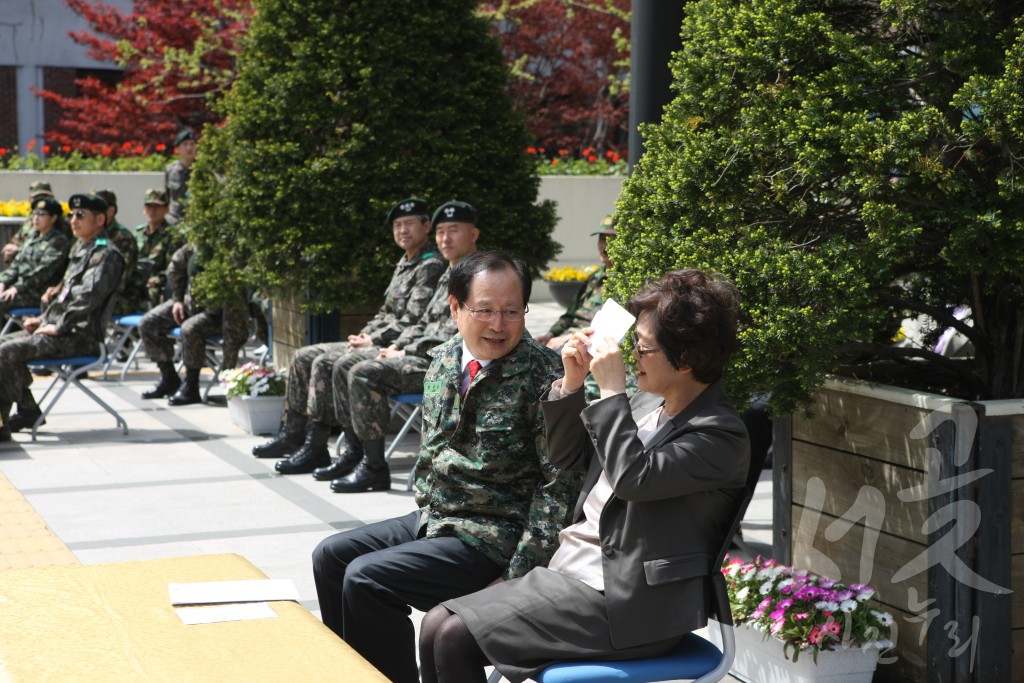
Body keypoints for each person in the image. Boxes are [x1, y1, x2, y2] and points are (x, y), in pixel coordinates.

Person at [418, 268, 751, 683]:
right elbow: (568, 456)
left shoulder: (719, 434)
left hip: (629, 605)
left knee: (454, 636)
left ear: (685, 360)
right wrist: (571, 385)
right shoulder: (651, 405)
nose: (631, 359)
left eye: (643, 351)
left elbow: (634, 478)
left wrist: (611, 392)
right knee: (434, 625)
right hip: (573, 575)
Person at [311, 251, 581, 683]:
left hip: (494, 534)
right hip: (439, 518)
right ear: (455, 307)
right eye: (486, 310)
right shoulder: (444, 359)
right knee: (331, 556)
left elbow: (558, 487)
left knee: (367, 580)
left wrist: (518, 575)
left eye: (512, 311)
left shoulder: (544, 377)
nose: (499, 324)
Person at [254, 198, 446, 475]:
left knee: (327, 362)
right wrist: (367, 333)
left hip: (394, 345)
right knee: (303, 355)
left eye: (409, 224)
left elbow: (412, 320)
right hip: (379, 340)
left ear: (426, 226)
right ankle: (294, 434)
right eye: (397, 225)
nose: (402, 230)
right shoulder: (405, 262)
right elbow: (387, 312)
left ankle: (330, 447)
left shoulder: (431, 265)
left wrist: (373, 341)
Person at [319, 201, 480, 491]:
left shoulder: (477, 276)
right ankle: (358, 456)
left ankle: (373, 466)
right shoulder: (449, 272)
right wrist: (397, 345)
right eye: (441, 232)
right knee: (350, 364)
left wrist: (405, 351)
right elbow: (422, 323)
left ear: (474, 234)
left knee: (363, 372)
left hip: (449, 366)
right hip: (423, 356)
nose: (445, 238)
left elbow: (457, 334)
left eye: (453, 231)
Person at [0, 194, 125, 440]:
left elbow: (87, 299)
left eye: (81, 215)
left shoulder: (105, 255)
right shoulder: (82, 248)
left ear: (100, 219)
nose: (74, 220)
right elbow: (63, 295)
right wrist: (44, 319)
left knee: (7, 352)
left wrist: (57, 326)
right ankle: (25, 411)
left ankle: (12, 420)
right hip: (61, 328)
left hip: (81, 335)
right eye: (71, 215)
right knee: (3, 345)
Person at [137, 243, 250, 405]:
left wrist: (229, 368)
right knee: (148, 323)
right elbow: (176, 266)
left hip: (218, 312)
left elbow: (235, 317)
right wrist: (177, 299)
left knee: (190, 328)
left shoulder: (230, 249)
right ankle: (169, 378)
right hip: (190, 303)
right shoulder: (196, 244)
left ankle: (191, 386)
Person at [535, 216, 615, 350]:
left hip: (585, 345)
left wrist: (568, 338)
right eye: (602, 239)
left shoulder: (623, 284)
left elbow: (607, 328)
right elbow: (570, 314)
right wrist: (550, 334)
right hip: (567, 340)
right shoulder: (594, 277)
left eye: (611, 240)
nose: (604, 246)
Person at [0, 196, 71, 316]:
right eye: (34, 213)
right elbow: (16, 265)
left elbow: (43, 272)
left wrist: (17, 288)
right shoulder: (33, 237)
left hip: (39, 292)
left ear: (53, 218)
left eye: (42, 214)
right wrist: (2, 282)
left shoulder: (58, 241)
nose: (36, 218)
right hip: (21, 288)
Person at [94, 189, 141, 315]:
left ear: (111, 211)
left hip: (120, 297)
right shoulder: (92, 234)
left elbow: (118, 277)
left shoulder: (123, 237)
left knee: (83, 306)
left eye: (97, 208)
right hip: (93, 293)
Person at [133, 188, 182, 308]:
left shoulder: (173, 236)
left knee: (149, 296)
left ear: (166, 209)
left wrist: (157, 280)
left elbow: (174, 269)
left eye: (157, 206)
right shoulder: (137, 233)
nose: (152, 210)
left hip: (158, 287)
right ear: (144, 209)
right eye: (149, 206)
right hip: (135, 283)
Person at [2, 181, 70, 263]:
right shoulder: (29, 221)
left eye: (45, 197)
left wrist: (18, 251)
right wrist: (10, 251)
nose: (41, 201)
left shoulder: (60, 223)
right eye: (37, 198)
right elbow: (17, 241)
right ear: (30, 199)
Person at [165, 127, 196, 224]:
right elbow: (167, 197)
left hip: (195, 220)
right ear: (178, 148)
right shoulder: (171, 170)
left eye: (192, 144)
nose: (189, 148)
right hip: (174, 219)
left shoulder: (203, 170)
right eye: (185, 144)